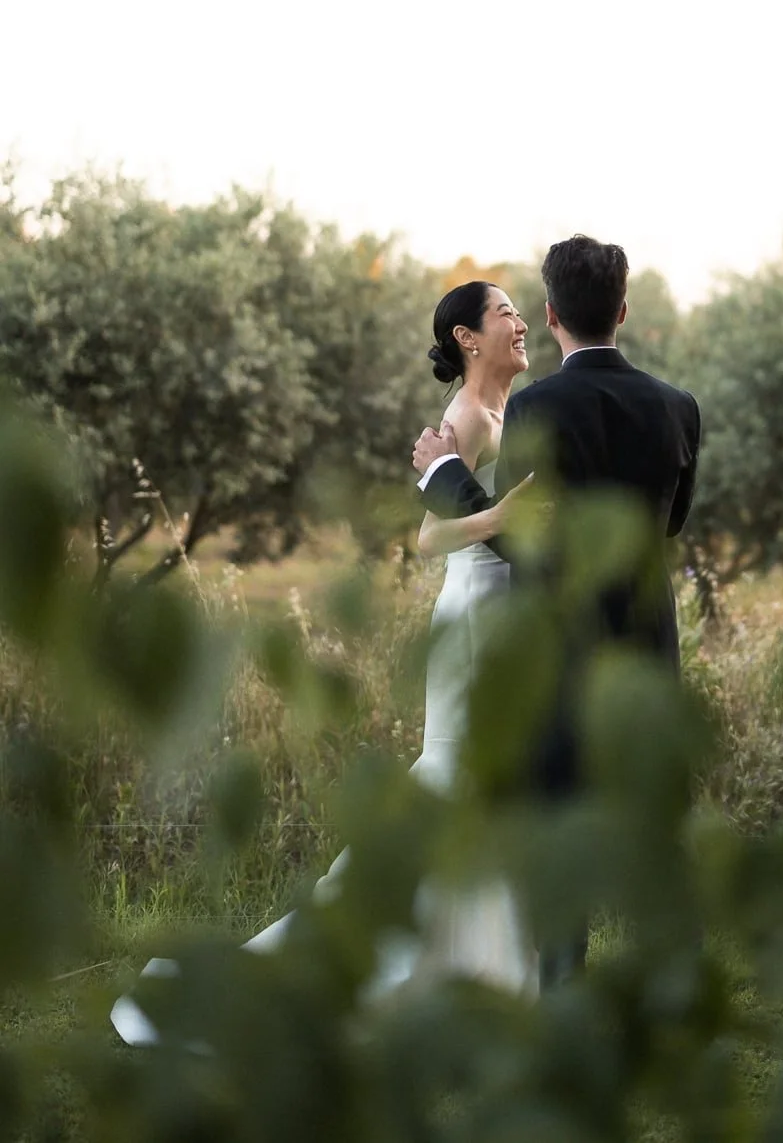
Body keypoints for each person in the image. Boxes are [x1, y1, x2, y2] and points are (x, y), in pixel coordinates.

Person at [110, 281, 537, 1046]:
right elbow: (429, 540)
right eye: (505, 312)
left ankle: (480, 978)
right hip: (472, 618)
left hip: (506, 619)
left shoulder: (513, 415)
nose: (521, 321)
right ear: (469, 338)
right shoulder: (467, 417)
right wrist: (504, 515)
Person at [413, 235, 701, 989]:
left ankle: (562, 996)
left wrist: (442, 475)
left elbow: (521, 542)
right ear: (624, 310)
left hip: (560, 661)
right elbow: (669, 527)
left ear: (549, 315)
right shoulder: (679, 408)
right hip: (646, 654)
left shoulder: (536, 408)